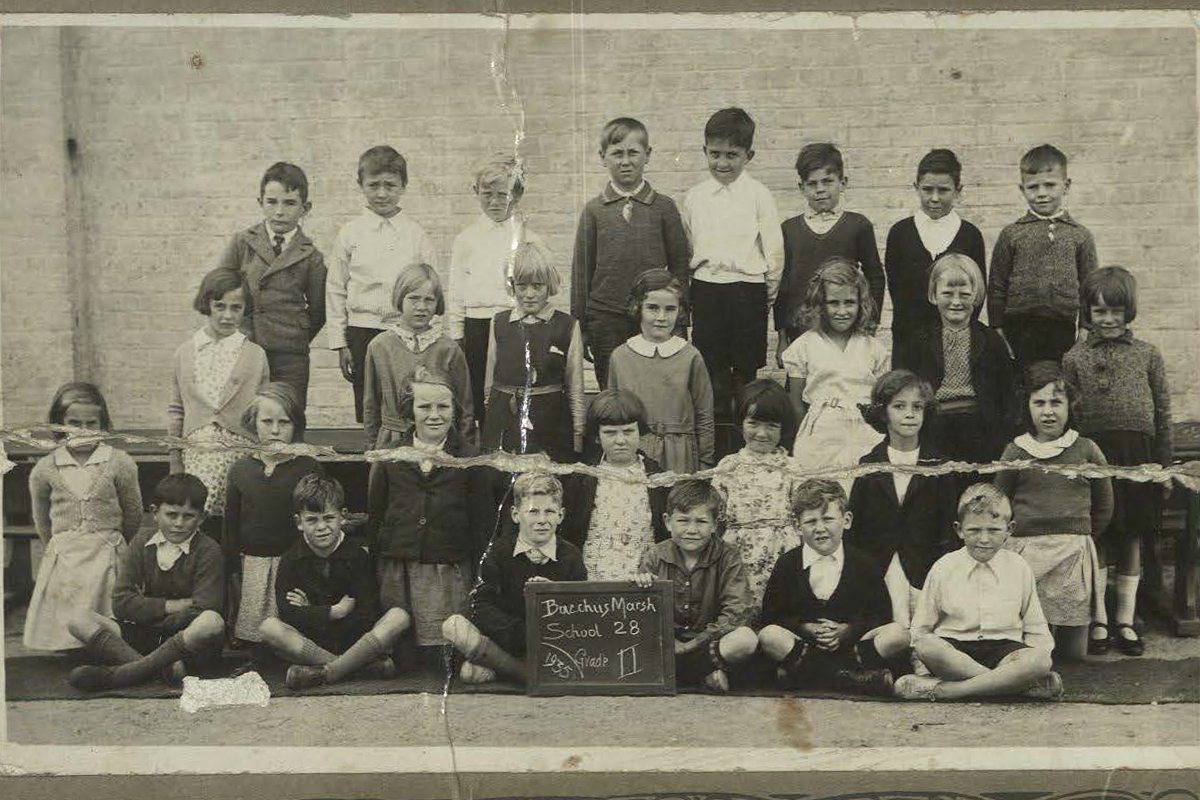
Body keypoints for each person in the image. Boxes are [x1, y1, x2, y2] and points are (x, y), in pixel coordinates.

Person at [1063, 266, 1173, 657]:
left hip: (1137, 456)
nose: (1108, 320)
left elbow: (1162, 411)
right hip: (1095, 454)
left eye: (1116, 312)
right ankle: (1099, 620)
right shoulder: (1074, 358)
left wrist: (1164, 465)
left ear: (1129, 312)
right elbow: (1068, 415)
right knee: (1100, 536)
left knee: (1131, 536)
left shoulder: (1147, 354)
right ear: (1087, 313)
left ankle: (1125, 620)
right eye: (1099, 312)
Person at [367, 367, 494, 662]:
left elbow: (483, 522)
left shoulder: (470, 458)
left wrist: (479, 573)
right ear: (409, 411)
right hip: (399, 566)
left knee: (446, 652)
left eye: (443, 406)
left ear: (455, 409)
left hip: (447, 566)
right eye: (424, 407)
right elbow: (376, 515)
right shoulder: (390, 456)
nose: (434, 415)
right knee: (403, 650)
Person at [896, 484, 1062, 701]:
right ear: (959, 530)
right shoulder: (944, 567)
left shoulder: (1019, 567)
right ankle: (1013, 686)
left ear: (1009, 529)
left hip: (1005, 651)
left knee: (1040, 660)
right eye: (974, 530)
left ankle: (946, 691)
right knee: (928, 645)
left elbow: (1035, 627)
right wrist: (922, 667)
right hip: (954, 650)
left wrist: (1037, 663)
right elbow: (921, 629)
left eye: (993, 530)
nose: (984, 539)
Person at [995, 361, 1113, 660]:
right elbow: (999, 500)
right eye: (1039, 403)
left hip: (1072, 549)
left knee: (1074, 654)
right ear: (1027, 406)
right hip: (1026, 551)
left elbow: (1105, 503)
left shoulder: (1086, 449)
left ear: (1070, 406)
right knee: (1030, 640)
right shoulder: (1016, 450)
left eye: (1056, 402)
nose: (1048, 411)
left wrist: (1082, 535)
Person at [66, 474, 225, 691]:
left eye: (188, 516)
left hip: (188, 642)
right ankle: (162, 669)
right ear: (155, 513)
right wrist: (173, 606)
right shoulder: (141, 542)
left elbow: (205, 608)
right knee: (78, 619)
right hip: (146, 634)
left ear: (201, 518)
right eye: (171, 515)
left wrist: (146, 610)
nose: (179, 523)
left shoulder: (209, 550)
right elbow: (121, 603)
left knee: (212, 621)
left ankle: (117, 676)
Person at [260, 474, 411, 690]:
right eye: (312, 519)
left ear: (343, 517)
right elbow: (288, 613)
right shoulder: (290, 560)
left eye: (328, 518)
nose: (322, 527)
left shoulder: (358, 556)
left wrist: (310, 610)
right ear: (299, 523)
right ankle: (357, 668)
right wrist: (333, 612)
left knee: (399, 617)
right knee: (269, 627)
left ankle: (328, 671)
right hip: (313, 643)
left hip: (355, 641)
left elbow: (367, 611)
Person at [757, 478, 908, 696]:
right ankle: (848, 679)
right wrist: (804, 627)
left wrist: (848, 630)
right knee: (769, 636)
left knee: (899, 634)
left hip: (853, 648)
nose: (819, 529)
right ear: (797, 525)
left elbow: (881, 615)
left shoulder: (864, 563)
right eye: (810, 522)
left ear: (846, 520)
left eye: (827, 519)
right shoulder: (788, 564)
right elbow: (771, 615)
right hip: (805, 647)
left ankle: (808, 677)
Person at [680, 107, 783, 424]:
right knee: (710, 366)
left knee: (746, 367)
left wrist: (767, 290)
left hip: (746, 290)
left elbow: (774, 247)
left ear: (748, 155)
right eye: (715, 154)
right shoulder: (695, 196)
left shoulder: (758, 195)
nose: (722, 163)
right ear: (704, 151)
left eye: (732, 155)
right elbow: (688, 245)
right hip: (708, 289)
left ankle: (746, 434)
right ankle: (714, 439)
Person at [571, 118, 691, 388]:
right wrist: (582, 327)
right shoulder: (594, 211)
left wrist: (680, 320)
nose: (625, 161)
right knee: (612, 387)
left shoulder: (664, 208)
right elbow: (581, 272)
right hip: (605, 319)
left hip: (653, 316)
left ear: (647, 155)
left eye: (633, 152)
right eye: (617, 153)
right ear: (603, 157)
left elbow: (680, 267)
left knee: (656, 384)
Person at [23, 383, 143, 652]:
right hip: (66, 554)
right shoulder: (45, 469)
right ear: (59, 424)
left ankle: (107, 647)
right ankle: (70, 647)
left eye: (91, 423)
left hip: (106, 550)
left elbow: (133, 512)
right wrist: (59, 544)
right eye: (74, 423)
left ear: (102, 424)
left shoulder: (119, 462)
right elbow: (42, 520)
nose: (82, 431)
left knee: (106, 608)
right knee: (69, 605)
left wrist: (115, 542)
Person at [326, 145, 439, 423]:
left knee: (407, 402)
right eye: (373, 185)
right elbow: (336, 289)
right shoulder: (350, 233)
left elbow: (431, 290)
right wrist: (341, 344)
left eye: (390, 185)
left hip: (406, 332)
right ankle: (372, 460)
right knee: (369, 407)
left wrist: (430, 339)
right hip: (361, 332)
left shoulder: (416, 235)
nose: (381, 193)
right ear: (360, 185)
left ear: (403, 186)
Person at [443, 473, 586, 685]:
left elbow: (582, 611)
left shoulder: (571, 556)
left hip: (552, 646)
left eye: (549, 512)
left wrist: (556, 594)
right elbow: (481, 605)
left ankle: (506, 669)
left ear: (561, 515)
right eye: (533, 512)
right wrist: (519, 633)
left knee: (471, 673)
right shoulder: (498, 553)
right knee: (452, 625)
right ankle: (522, 672)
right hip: (507, 641)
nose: (542, 520)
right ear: (515, 514)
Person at [891, 252, 1016, 490]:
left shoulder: (990, 340)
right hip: (935, 426)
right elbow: (903, 388)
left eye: (964, 295)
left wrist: (1004, 436)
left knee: (978, 490)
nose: (956, 302)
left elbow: (1007, 393)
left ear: (976, 297)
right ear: (933, 295)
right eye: (947, 294)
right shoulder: (918, 340)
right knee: (939, 491)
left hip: (980, 428)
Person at [847, 370, 957, 629]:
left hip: (924, 564)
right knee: (889, 629)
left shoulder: (939, 465)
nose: (910, 413)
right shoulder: (869, 464)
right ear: (883, 412)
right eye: (899, 406)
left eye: (917, 406)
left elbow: (947, 527)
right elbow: (856, 529)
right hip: (881, 565)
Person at [167, 268, 270, 537]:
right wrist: (175, 459)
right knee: (197, 515)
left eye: (236, 308)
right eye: (219, 306)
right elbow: (177, 409)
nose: (227, 315)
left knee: (235, 521)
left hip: (239, 451)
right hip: (196, 452)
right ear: (207, 305)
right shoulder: (185, 353)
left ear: (245, 309)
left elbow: (263, 410)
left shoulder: (254, 355)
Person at [216, 161, 327, 407]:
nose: (279, 211)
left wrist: (294, 335)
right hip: (245, 346)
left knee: (289, 415)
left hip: (290, 355)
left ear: (305, 208)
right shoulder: (242, 243)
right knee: (244, 413)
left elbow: (319, 311)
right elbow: (219, 290)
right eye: (272, 202)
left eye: (289, 203)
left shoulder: (311, 256)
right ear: (260, 203)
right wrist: (238, 332)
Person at [634, 480, 758, 693]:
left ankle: (680, 674)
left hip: (709, 645)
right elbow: (641, 612)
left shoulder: (728, 556)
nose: (691, 530)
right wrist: (640, 585)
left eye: (701, 521)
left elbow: (737, 610)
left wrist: (695, 643)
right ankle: (703, 675)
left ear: (714, 525)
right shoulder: (655, 555)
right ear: (667, 521)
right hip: (667, 643)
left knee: (745, 639)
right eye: (683, 520)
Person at [447, 156, 545, 424]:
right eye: (487, 194)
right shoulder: (466, 240)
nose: (494, 202)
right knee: (479, 387)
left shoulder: (528, 238)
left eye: (502, 195)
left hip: (515, 323)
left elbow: (541, 289)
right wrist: (457, 334)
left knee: (512, 384)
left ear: (517, 194)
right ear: (475, 193)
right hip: (476, 325)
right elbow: (456, 290)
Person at [223, 383, 323, 645]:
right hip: (254, 564)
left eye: (284, 422)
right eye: (267, 421)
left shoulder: (307, 467)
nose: (276, 430)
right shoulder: (241, 470)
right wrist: (233, 565)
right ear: (253, 423)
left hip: (295, 564)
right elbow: (231, 525)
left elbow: (317, 517)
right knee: (255, 630)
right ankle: (256, 657)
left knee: (292, 624)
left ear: (296, 426)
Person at [988, 144, 1098, 370]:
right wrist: (997, 329)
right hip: (1018, 329)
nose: (1041, 193)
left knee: (1057, 388)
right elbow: (997, 285)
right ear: (1022, 189)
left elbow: (1090, 288)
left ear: (1066, 186)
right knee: (1021, 389)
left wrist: (1084, 331)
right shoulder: (1012, 233)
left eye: (1050, 185)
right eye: (1033, 187)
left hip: (1062, 328)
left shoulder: (1080, 235)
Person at [775, 143, 885, 361]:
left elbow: (876, 277)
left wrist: (869, 324)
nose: (820, 189)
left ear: (843, 183)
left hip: (846, 325)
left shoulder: (858, 225)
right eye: (812, 184)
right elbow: (783, 286)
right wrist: (781, 337)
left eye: (827, 181)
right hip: (801, 328)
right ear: (801, 187)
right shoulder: (789, 229)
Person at [781, 258, 888, 480]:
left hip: (864, 432)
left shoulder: (874, 348)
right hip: (820, 432)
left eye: (849, 302)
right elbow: (796, 403)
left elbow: (882, 402)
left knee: (861, 489)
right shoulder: (804, 346)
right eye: (833, 303)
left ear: (861, 304)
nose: (842, 311)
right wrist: (805, 437)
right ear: (820, 304)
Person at [482, 240, 585, 463]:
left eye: (537, 286)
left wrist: (577, 434)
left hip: (550, 422)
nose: (529, 294)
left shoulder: (566, 325)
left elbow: (575, 386)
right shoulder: (499, 322)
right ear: (512, 286)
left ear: (549, 285)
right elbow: (490, 382)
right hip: (504, 419)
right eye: (522, 286)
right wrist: (491, 422)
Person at [608, 269, 715, 473]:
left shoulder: (690, 356)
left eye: (670, 309)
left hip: (680, 452)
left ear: (680, 312)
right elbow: (611, 415)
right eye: (653, 308)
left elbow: (704, 413)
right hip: (635, 451)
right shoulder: (620, 357)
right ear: (638, 308)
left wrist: (706, 460)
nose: (661, 317)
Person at [362, 262, 473, 451]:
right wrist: (374, 448)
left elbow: (465, 408)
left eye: (429, 300)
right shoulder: (379, 346)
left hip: (439, 440)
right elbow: (370, 406)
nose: (421, 307)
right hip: (392, 442)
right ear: (399, 299)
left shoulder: (449, 349)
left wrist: (464, 449)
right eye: (414, 298)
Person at [712, 379, 801, 610]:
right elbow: (715, 517)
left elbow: (802, 515)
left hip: (781, 550)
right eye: (754, 423)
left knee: (780, 606)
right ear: (741, 423)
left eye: (772, 425)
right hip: (738, 551)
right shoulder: (728, 465)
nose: (762, 433)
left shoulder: (793, 467)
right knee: (740, 608)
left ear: (784, 428)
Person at [561, 389, 670, 580]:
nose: (620, 440)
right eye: (610, 433)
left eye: (628, 431)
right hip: (594, 574)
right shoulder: (584, 477)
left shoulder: (656, 476)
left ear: (640, 431)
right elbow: (570, 530)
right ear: (597, 436)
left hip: (643, 577)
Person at [884, 148, 986, 346]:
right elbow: (897, 292)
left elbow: (977, 294)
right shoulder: (899, 233)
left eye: (944, 190)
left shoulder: (971, 235)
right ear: (916, 187)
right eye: (927, 189)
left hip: (956, 339)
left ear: (958, 189)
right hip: (910, 339)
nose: (935, 198)